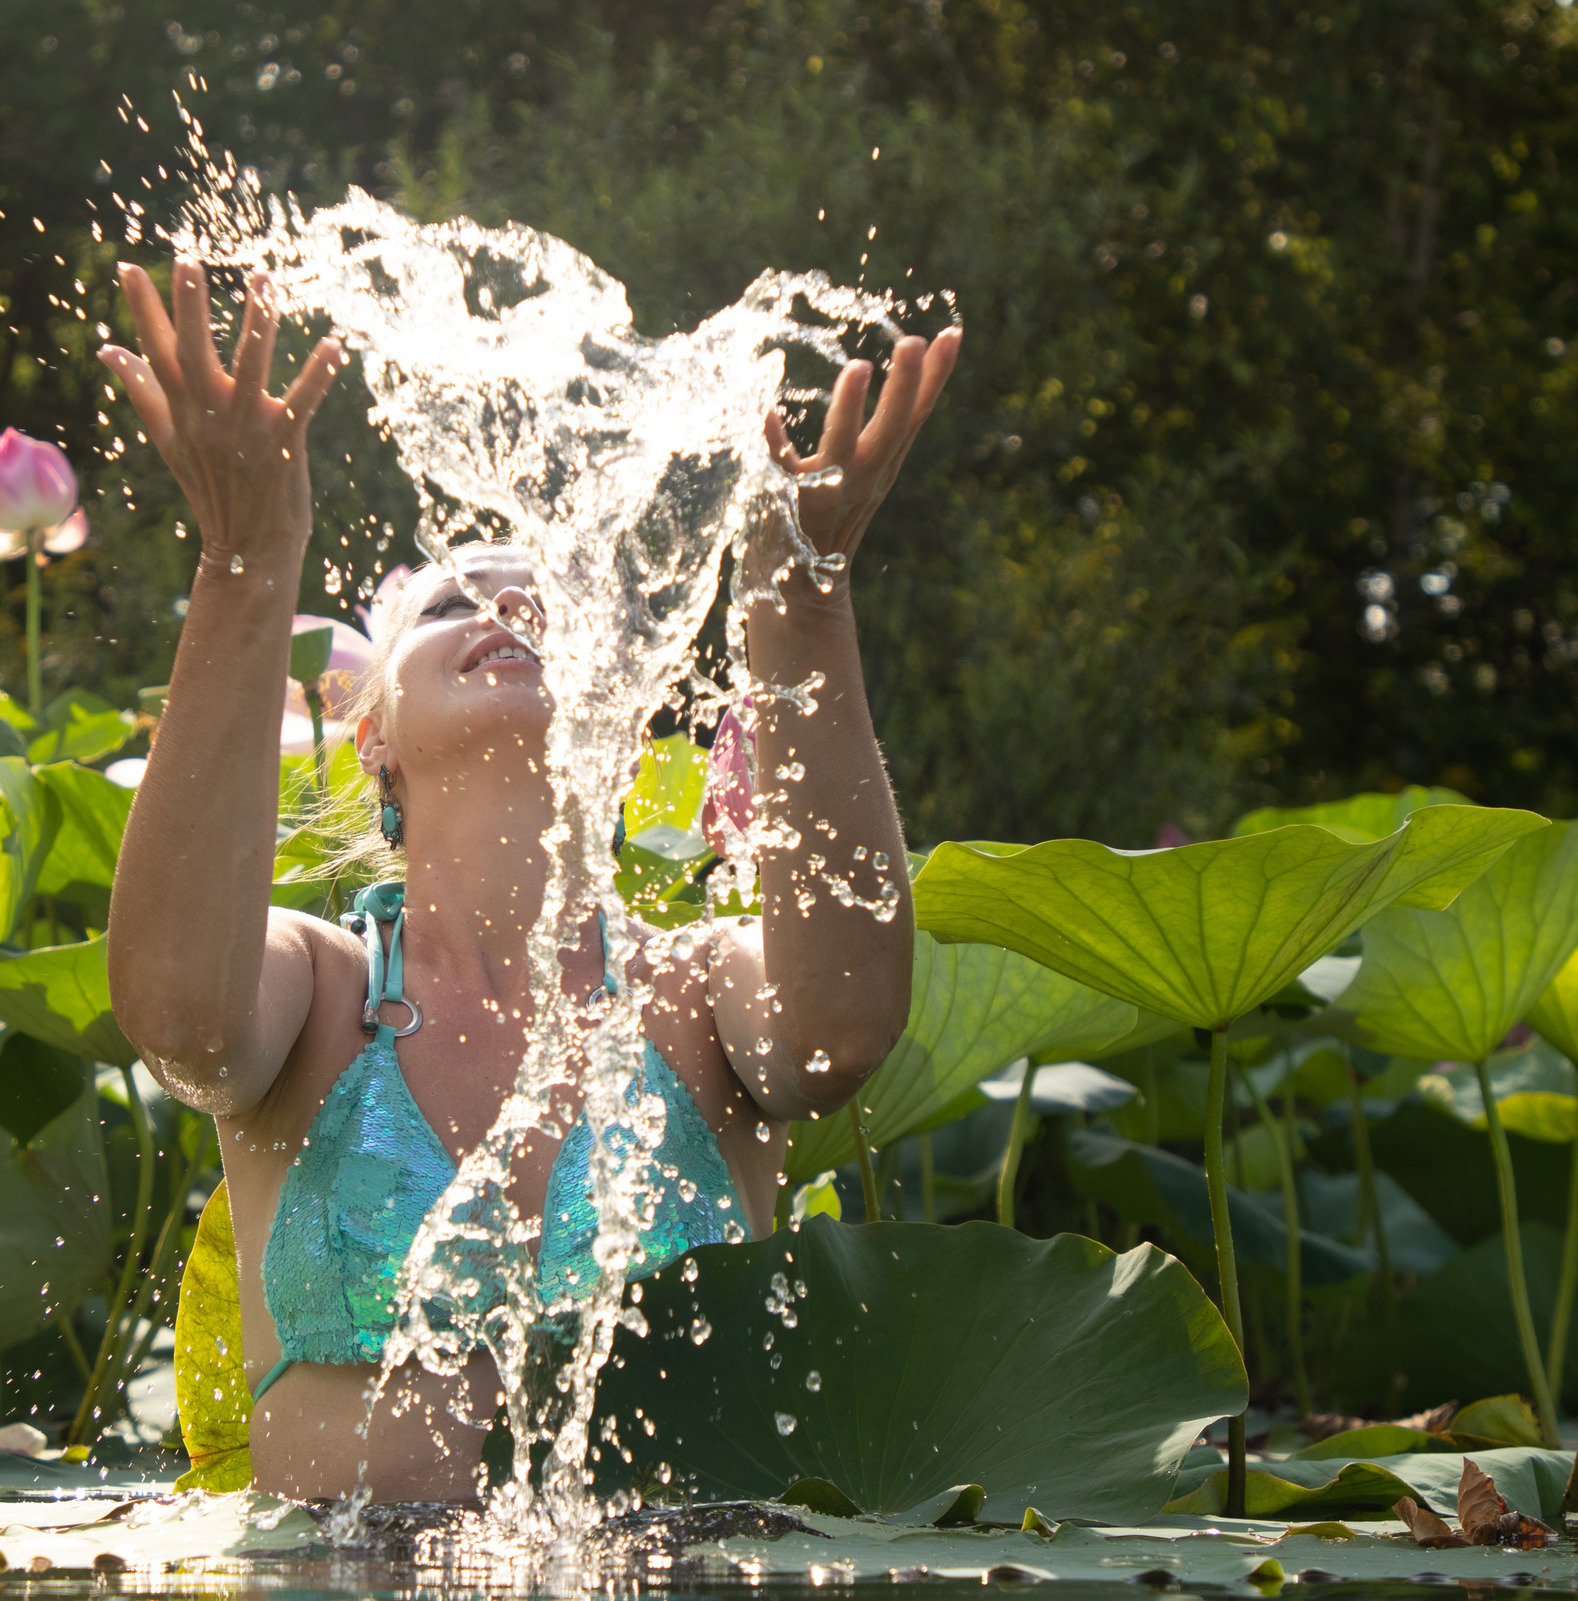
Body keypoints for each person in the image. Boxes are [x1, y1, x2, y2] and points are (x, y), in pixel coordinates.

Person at [101, 259, 959, 1501]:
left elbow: (841, 1030)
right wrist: (246, 560)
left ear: (621, 693)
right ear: (374, 736)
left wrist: (799, 592)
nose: (509, 600)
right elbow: (178, 1021)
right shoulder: (314, 990)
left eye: (554, 600)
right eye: (455, 598)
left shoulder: (704, 990)